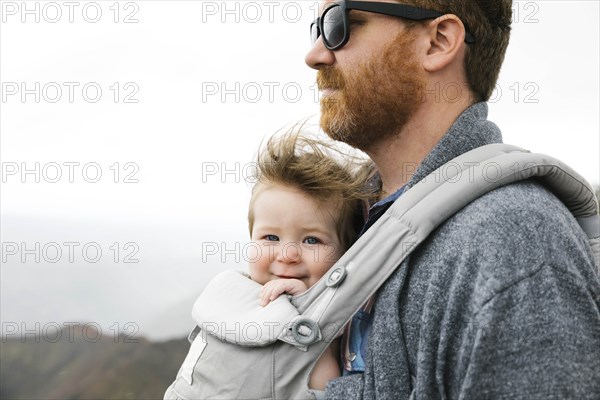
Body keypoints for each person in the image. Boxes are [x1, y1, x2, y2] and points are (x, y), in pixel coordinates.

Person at [305, 0, 600, 399]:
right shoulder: (340, 225)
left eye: (341, 24)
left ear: (439, 42)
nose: (316, 54)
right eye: (316, 29)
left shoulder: (513, 245)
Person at [246, 131, 373, 389]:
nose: (288, 255)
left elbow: (322, 387)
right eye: (270, 237)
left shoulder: (341, 316)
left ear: (345, 253)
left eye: (311, 240)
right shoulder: (234, 294)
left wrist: (307, 309)